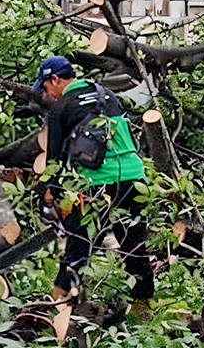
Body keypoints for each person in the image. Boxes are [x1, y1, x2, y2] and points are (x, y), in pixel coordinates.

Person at [30, 55, 153, 306]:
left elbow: (55, 159)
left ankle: (58, 306)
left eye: (46, 87)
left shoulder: (62, 107)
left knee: (79, 247)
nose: (48, 94)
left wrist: (50, 193)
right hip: (134, 178)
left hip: (97, 185)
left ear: (55, 79)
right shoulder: (105, 93)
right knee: (134, 247)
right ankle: (144, 312)